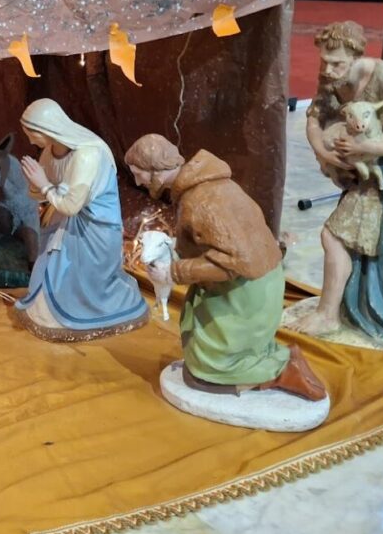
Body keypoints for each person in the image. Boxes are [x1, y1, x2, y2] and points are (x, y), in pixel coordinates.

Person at [124, 135, 326, 400]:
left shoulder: (202, 200)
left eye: (138, 174)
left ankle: (280, 371)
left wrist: (173, 272)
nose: (137, 182)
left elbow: (234, 261)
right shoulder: (204, 186)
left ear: (155, 171)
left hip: (248, 290)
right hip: (249, 281)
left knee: (207, 372)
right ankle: (272, 359)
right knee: (198, 350)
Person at [296, 21, 383, 341]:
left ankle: (328, 315)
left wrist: (365, 149)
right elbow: (314, 118)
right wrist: (323, 152)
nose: (328, 70)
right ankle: (346, 311)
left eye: (337, 63)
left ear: (356, 57)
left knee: (335, 237)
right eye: (324, 62)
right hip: (364, 172)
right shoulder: (333, 78)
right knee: (353, 242)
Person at [14, 98, 149, 341]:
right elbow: (40, 193)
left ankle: (91, 310)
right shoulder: (50, 150)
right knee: (49, 264)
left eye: (32, 134)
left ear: (47, 129)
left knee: (68, 272)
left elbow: (71, 205)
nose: (30, 140)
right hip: (65, 221)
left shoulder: (87, 154)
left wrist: (43, 184)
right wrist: (36, 181)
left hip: (95, 228)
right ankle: (52, 311)